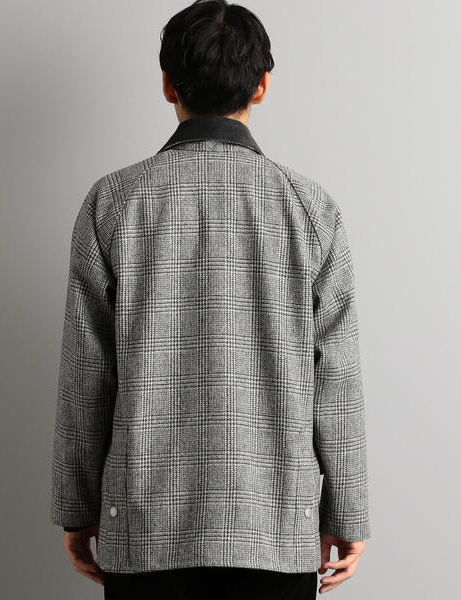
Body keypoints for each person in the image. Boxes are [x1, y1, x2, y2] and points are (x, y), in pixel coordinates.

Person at [50, 1, 371, 597]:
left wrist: (77, 508)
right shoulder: (310, 208)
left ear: (168, 84)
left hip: (145, 529)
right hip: (275, 530)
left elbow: (86, 376)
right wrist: (347, 514)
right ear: (262, 85)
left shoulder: (113, 202)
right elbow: (338, 378)